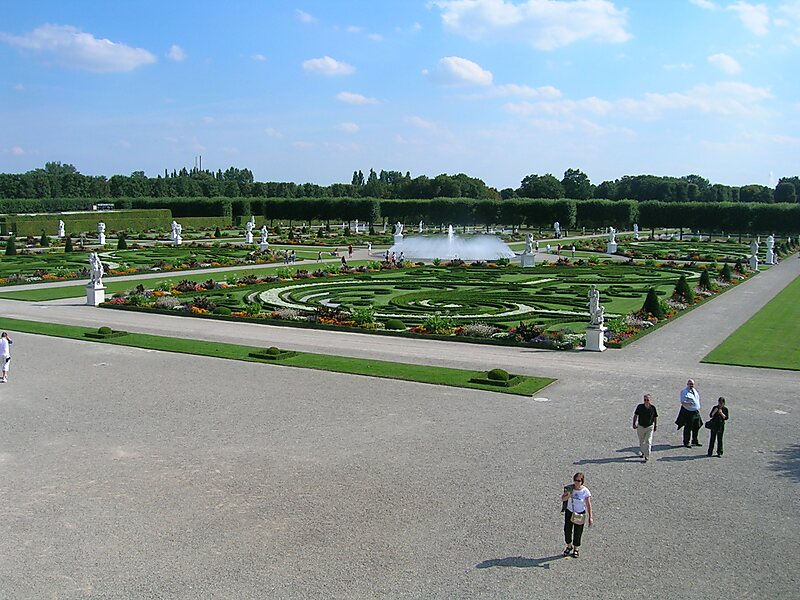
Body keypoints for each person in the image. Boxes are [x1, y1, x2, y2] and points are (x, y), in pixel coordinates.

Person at [560, 472, 593, 558]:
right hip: (570, 512)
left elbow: (588, 504)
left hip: (580, 513)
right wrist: (568, 495)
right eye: (575, 480)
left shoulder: (585, 491)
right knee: (567, 530)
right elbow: (562, 498)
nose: (577, 482)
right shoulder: (570, 488)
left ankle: (576, 548)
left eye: (578, 481)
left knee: (578, 532)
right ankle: (569, 546)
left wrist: (590, 517)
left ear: (582, 481)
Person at [632, 394, 658, 462]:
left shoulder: (653, 408)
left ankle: (647, 455)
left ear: (650, 400)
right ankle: (643, 452)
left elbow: (655, 417)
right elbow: (636, 415)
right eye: (645, 400)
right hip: (641, 426)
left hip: (649, 427)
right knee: (641, 441)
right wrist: (634, 423)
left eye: (647, 400)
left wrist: (655, 426)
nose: (646, 401)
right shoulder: (640, 407)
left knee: (648, 441)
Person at [677, 379, 702, 447]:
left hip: (696, 411)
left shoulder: (694, 390)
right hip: (688, 412)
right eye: (690, 384)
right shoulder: (684, 392)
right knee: (688, 427)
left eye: (692, 384)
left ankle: (695, 440)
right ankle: (686, 442)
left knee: (697, 425)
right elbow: (682, 402)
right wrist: (688, 403)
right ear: (687, 384)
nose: (691, 385)